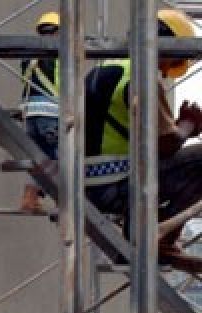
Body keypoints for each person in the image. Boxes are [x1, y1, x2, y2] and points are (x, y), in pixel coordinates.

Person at [83, 8, 202, 271]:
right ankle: (162, 239)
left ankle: (142, 232)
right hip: (116, 182)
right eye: (175, 59)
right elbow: (163, 146)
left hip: (87, 181)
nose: (169, 68)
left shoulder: (104, 68)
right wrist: (188, 126)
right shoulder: (141, 76)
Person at [19, 12, 61, 214]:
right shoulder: (57, 55)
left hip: (30, 115)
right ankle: (67, 203)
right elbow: (65, 85)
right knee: (64, 157)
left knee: (38, 159)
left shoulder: (28, 56)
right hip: (51, 112)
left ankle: (30, 197)